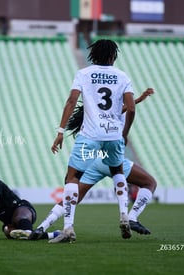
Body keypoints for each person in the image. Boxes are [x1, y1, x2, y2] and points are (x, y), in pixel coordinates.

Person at [50, 39, 136, 242]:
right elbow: (131, 108)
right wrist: (124, 132)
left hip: (90, 135)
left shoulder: (83, 73)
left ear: (93, 55)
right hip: (114, 135)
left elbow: (72, 101)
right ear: (112, 56)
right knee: (117, 172)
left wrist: (61, 131)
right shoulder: (122, 76)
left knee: (72, 179)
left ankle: (69, 228)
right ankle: (124, 214)